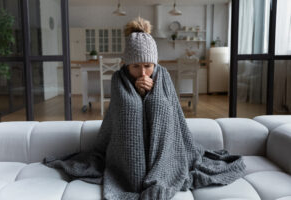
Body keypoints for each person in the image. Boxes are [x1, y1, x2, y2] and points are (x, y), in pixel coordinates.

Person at [43, 17, 246, 200]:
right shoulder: (118, 79)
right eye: (135, 66)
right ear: (126, 65)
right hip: (123, 151)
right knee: (131, 108)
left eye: (148, 65)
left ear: (154, 63)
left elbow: (170, 114)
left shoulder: (163, 76)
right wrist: (138, 96)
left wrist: (150, 96)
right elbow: (123, 115)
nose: (143, 72)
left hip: (164, 145)